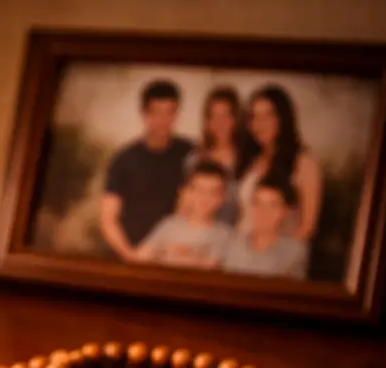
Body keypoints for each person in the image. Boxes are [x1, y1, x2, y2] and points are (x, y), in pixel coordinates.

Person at [100, 80, 193, 261]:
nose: (163, 120)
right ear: (144, 115)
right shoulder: (123, 160)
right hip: (129, 255)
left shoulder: (189, 154)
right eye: (156, 113)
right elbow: (108, 220)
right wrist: (131, 256)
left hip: (174, 256)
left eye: (169, 113)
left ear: (177, 115)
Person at [236, 85, 322, 241]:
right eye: (254, 117)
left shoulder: (303, 162)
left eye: (268, 116)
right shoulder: (252, 160)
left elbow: (308, 227)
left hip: (280, 250)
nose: (260, 123)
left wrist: (283, 252)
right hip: (242, 247)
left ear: (282, 118)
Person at [135, 161, 232, 269]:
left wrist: (181, 255)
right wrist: (164, 251)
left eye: (213, 192)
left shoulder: (224, 235)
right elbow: (140, 256)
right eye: (199, 190)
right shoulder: (169, 224)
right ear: (187, 192)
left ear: (222, 197)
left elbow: (210, 266)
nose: (205, 198)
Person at [224, 176, 308, 279]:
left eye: (272, 205)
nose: (263, 212)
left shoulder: (293, 251)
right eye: (258, 203)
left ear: (284, 210)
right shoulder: (232, 242)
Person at [186, 86, 243, 226]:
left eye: (225, 116)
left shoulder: (248, 159)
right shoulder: (195, 159)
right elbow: (186, 205)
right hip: (203, 232)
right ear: (207, 121)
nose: (220, 123)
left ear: (235, 119)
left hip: (240, 233)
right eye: (214, 116)